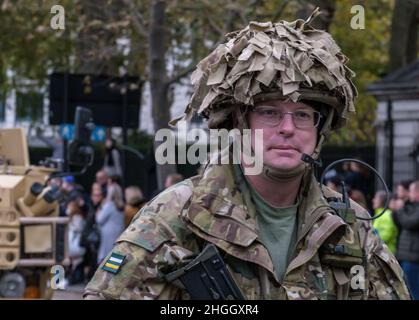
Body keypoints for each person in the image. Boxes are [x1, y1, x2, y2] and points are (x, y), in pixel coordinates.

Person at [84, 10, 410, 300]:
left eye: (302, 115)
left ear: (319, 130)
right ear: (241, 124)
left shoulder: (350, 227)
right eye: (269, 113)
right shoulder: (177, 217)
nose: (287, 128)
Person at [392, 180, 419, 299]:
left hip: (413, 257)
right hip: (407, 255)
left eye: (412, 191)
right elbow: (399, 223)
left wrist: (401, 209)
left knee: (413, 291)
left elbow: (409, 222)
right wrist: (397, 210)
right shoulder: (411, 206)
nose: (409, 194)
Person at [96, 183, 125, 264]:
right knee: (115, 257)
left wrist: (99, 210)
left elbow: (99, 219)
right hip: (118, 233)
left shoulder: (109, 205)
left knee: (106, 258)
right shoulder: (121, 206)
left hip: (108, 236)